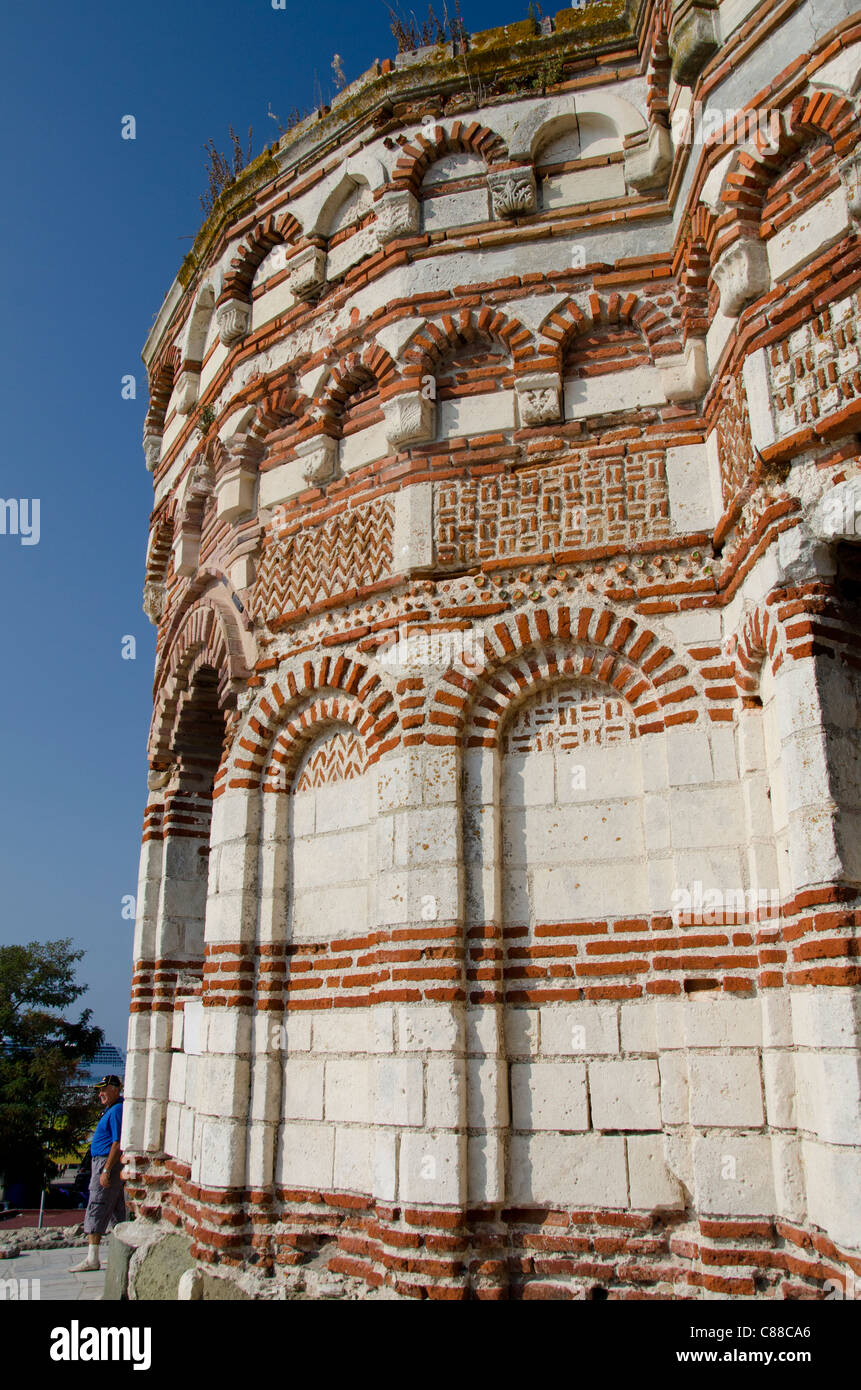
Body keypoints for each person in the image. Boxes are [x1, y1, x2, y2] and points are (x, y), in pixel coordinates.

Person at [68, 1075, 126, 1273]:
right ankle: (120, 1254)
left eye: (103, 1089)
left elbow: (117, 1143)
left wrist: (106, 1170)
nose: (100, 1093)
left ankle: (92, 1258)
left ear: (115, 1089)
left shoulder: (116, 1110)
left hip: (105, 1162)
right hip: (104, 1162)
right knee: (117, 1210)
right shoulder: (113, 1109)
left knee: (97, 1205)